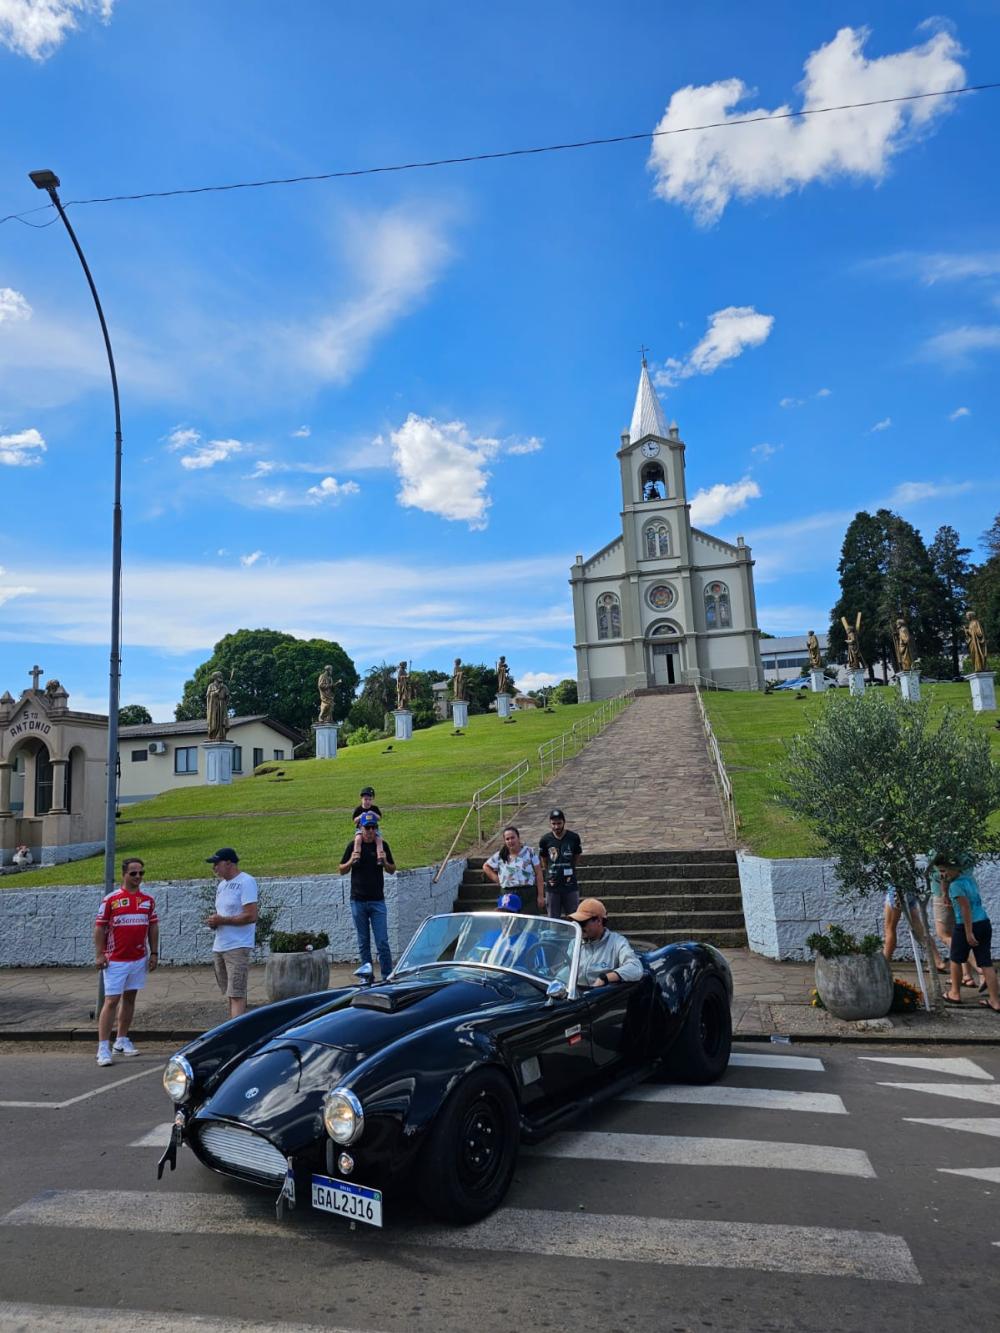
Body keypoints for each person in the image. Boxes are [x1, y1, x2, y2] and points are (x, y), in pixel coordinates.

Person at [93, 857, 159, 1066]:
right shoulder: (111, 900)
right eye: (133, 873)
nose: (138, 877)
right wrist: (100, 953)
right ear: (124, 874)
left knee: (130, 999)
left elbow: (153, 927)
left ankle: (121, 1040)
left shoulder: (147, 900)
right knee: (111, 1001)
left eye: (141, 873)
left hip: (138, 958)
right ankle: (103, 1047)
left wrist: (154, 953)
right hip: (116, 960)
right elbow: (99, 927)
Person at [935, 856, 1000, 1013]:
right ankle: (995, 1001)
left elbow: (965, 909)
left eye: (944, 871)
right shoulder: (968, 880)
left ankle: (954, 993)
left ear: (954, 869)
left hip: (966, 926)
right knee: (985, 962)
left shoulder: (956, 886)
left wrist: (969, 932)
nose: (942, 875)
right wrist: (945, 894)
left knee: (956, 959)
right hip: (984, 922)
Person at [339, 819, 396, 980]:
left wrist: (385, 861)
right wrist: (351, 860)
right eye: (367, 828)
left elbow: (392, 869)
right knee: (363, 942)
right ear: (360, 828)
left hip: (377, 901)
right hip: (358, 901)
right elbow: (341, 869)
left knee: (382, 942)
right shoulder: (353, 846)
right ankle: (367, 976)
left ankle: (386, 976)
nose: (370, 831)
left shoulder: (382, 845)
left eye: (373, 827)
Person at [205, 847, 258, 1019]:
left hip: (238, 945)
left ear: (229, 863)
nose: (214, 868)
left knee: (237, 992)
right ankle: (235, 1025)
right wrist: (215, 922)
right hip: (221, 944)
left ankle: (237, 1035)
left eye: (216, 863)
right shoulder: (222, 885)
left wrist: (222, 920)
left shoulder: (246, 881)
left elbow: (251, 915)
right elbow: (224, 914)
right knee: (230, 992)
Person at [568, 897, 642, 988]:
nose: (579, 927)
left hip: (600, 997)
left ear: (599, 921)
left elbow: (636, 968)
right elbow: (566, 969)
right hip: (575, 995)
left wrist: (605, 978)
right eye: (576, 923)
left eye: (582, 923)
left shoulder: (617, 942)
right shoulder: (574, 943)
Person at [883, 885, 945, 973]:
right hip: (909, 889)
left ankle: (884, 963)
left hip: (896, 890)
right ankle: (937, 960)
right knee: (919, 929)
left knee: (889, 928)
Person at [483, 825, 544, 912]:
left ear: (518, 838)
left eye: (512, 838)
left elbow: (539, 873)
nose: (510, 841)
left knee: (530, 923)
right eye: (507, 839)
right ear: (505, 841)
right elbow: (486, 866)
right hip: (508, 895)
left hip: (528, 893)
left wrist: (541, 896)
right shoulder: (500, 855)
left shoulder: (530, 852)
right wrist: (498, 879)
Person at [539, 809, 583, 918]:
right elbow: (544, 859)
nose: (556, 827)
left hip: (570, 884)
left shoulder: (573, 838)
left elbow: (577, 855)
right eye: (553, 824)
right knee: (553, 918)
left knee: (573, 916)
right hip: (553, 885)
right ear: (550, 823)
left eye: (559, 823)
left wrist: (570, 867)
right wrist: (550, 871)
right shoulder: (545, 840)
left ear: (564, 822)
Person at [352, 786, 385, 864]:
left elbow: (379, 818)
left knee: (379, 840)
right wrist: (361, 816)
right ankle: (357, 856)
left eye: (370, 799)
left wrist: (373, 813)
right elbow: (355, 821)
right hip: (361, 829)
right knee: (358, 839)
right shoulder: (358, 809)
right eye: (365, 799)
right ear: (361, 799)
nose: (367, 801)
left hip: (374, 829)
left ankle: (380, 858)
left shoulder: (374, 808)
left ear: (372, 799)